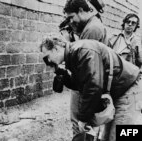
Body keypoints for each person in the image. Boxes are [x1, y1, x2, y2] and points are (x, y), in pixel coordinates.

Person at [40, 36, 142, 141]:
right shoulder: (73, 55)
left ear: (56, 49)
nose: (48, 61)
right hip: (118, 90)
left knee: (119, 136)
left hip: (128, 88)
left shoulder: (82, 51)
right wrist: (61, 74)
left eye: (47, 57)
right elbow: (81, 85)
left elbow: (93, 87)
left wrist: (83, 119)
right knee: (106, 137)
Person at [63, 0, 108, 137]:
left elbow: (85, 66)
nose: (70, 21)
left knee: (81, 125)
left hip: (85, 84)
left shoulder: (92, 29)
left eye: (71, 17)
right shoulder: (91, 26)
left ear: (81, 10)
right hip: (88, 81)